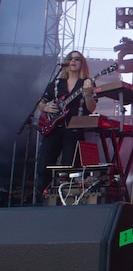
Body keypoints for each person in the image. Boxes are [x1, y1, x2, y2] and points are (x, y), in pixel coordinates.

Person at [35, 51, 97, 201]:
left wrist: (88, 94)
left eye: (77, 59)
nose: (73, 61)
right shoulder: (56, 83)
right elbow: (40, 102)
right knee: (44, 166)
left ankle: (67, 201)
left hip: (74, 128)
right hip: (53, 128)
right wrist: (45, 108)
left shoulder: (87, 83)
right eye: (70, 59)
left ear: (82, 63)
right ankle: (40, 200)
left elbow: (91, 108)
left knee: (70, 167)